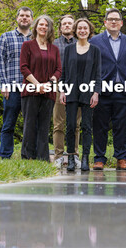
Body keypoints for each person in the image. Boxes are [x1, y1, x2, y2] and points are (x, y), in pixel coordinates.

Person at [89, 8, 126, 170]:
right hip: (102, 91)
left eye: (116, 19)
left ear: (121, 23)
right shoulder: (95, 41)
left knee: (122, 127)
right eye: (110, 19)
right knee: (100, 126)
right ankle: (99, 158)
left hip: (124, 92)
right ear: (105, 22)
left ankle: (121, 158)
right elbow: (91, 67)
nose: (113, 22)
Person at [59, 18, 101, 171]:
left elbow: (98, 74)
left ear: (89, 31)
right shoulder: (69, 49)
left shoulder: (95, 50)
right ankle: (71, 157)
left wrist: (96, 93)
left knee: (87, 126)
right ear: (75, 31)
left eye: (85, 28)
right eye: (80, 28)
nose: (82, 31)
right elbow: (63, 72)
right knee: (70, 125)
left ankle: (85, 159)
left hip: (88, 92)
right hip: (71, 91)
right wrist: (62, 90)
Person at [20, 15, 61, 160]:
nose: (43, 27)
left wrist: (49, 84)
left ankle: (42, 158)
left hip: (48, 92)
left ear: (49, 29)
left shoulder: (54, 49)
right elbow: (23, 67)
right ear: (36, 26)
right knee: (29, 125)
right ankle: (27, 157)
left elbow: (58, 70)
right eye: (41, 24)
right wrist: (37, 85)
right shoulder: (27, 45)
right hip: (31, 91)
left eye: (46, 25)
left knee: (44, 126)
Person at [0, 6, 33, 159]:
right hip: (12, 88)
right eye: (22, 15)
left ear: (31, 19)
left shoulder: (36, 39)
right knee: (8, 124)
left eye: (27, 16)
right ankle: (5, 156)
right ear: (17, 18)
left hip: (31, 89)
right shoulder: (6, 37)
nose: (24, 18)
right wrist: (3, 84)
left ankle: (29, 155)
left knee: (31, 125)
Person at [52, 15, 82, 169]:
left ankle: (74, 155)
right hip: (58, 87)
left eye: (70, 23)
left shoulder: (81, 43)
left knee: (75, 124)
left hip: (77, 89)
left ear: (74, 26)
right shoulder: (54, 44)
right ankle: (58, 156)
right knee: (59, 124)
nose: (67, 25)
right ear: (60, 27)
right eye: (64, 23)